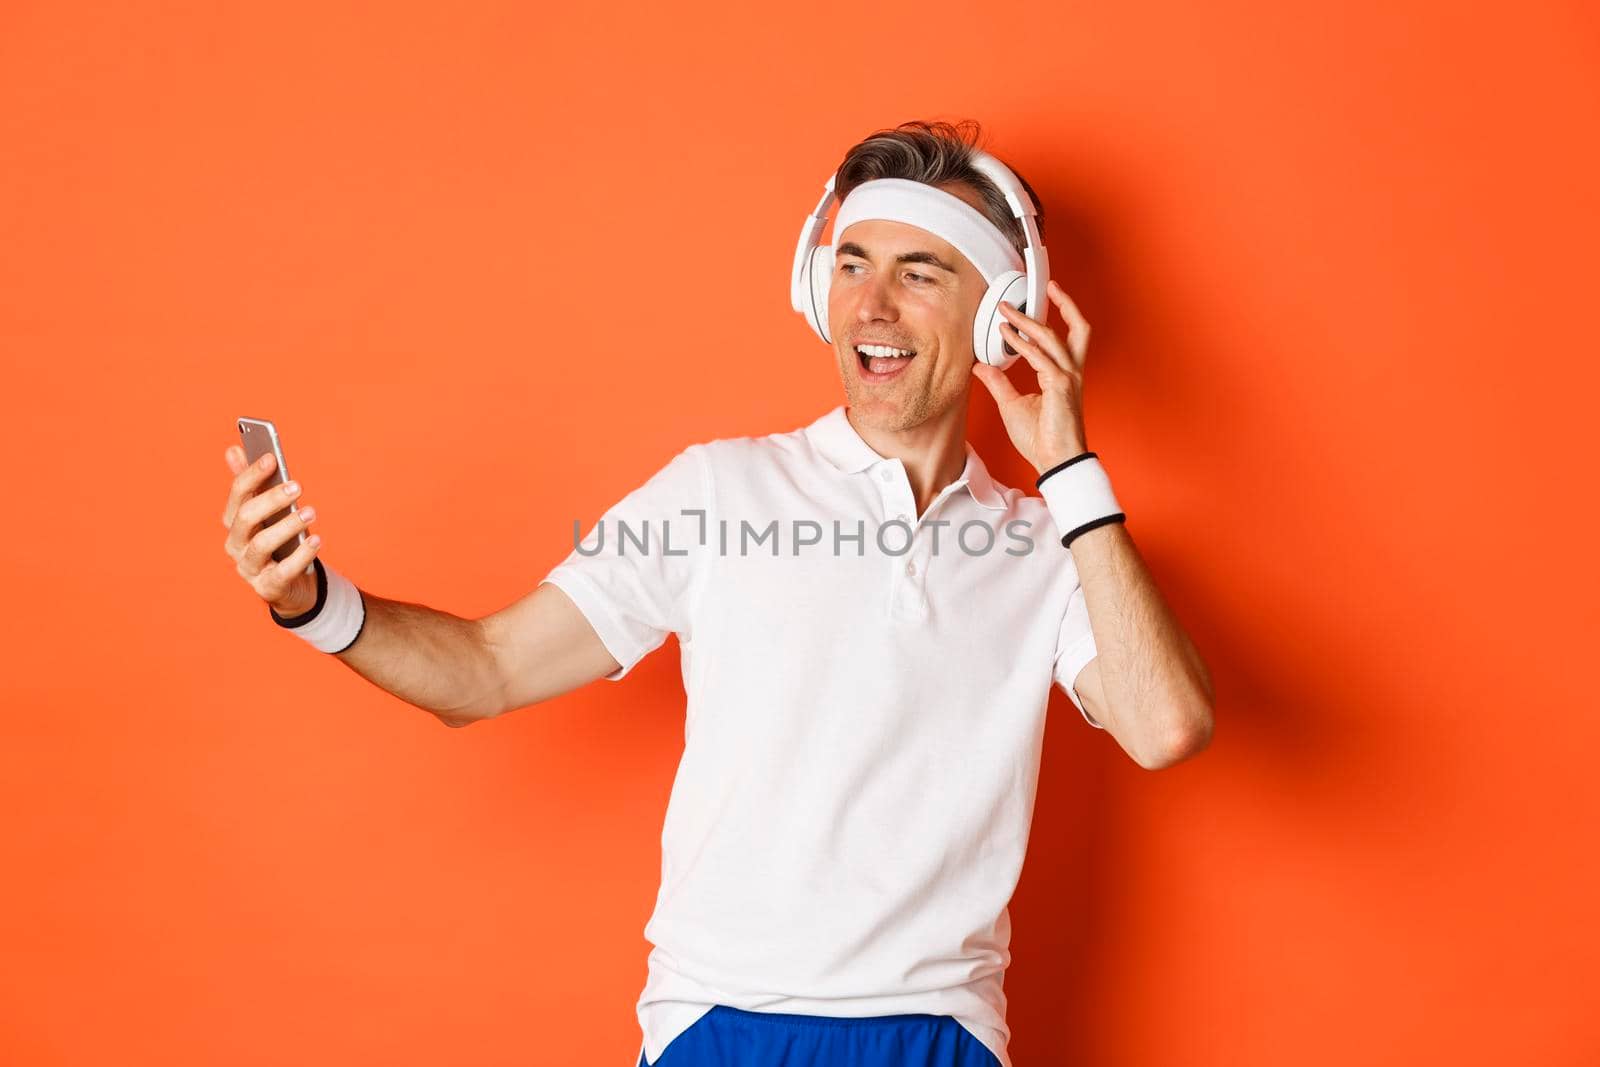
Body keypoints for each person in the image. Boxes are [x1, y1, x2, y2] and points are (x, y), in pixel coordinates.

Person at [219, 119, 1215, 1067]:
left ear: (1001, 316)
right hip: (720, 1024)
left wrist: (1070, 472)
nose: (869, 305)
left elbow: (1163, 724)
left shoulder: (1052, 544)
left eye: (918, 274)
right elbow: (486, 670)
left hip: (937, 1031)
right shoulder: (716, 491)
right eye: (851, 264)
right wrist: (314, 601)